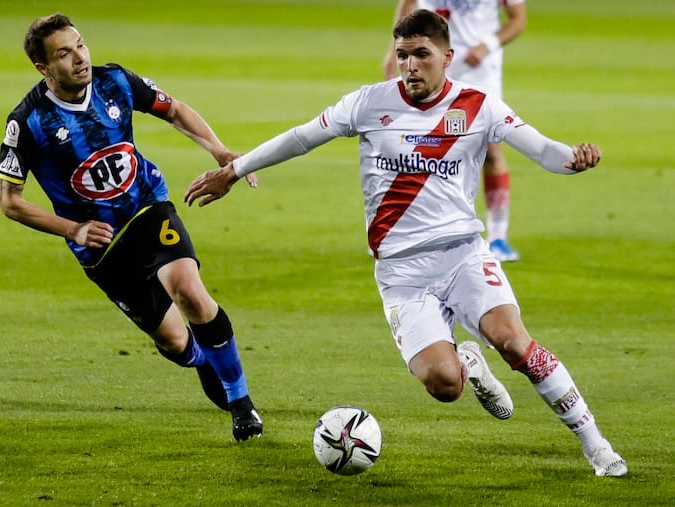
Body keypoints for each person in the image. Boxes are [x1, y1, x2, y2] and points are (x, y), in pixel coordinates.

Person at [185, 10, 627, 475]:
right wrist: (232, 170)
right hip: (402, 273)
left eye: (421, 55)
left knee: (515, 343)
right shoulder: (367, 104)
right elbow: (301, 138)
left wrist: (575, 159)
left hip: (463, 256)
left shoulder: (480, 106)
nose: (410, 65)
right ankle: (468, 366)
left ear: (447, 58)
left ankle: (596, 444)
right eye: (402, 55)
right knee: (444, 385)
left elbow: (544, 152)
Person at [0, 13, 262, 442]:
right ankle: (202, 361)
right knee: (174, 342)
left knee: (189, 290)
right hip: (100, 245)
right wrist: (73, 230)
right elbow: (10, 202)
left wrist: (216, 148)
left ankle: (241, 402)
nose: (80, 58)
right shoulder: (27, 122)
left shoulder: (115, 81)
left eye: (80, 44)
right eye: (64, 53)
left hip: (146, 209)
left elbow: (173, 108)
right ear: (44, 69)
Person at [383, 0, 527, 262]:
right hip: (427, 64)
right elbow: (408, 3)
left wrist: (488, 45)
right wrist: (394, 50)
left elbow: (518, 19)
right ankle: (413, 232)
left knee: (492, 152)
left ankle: (497, 238)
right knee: (417, 147)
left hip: (479, 71)